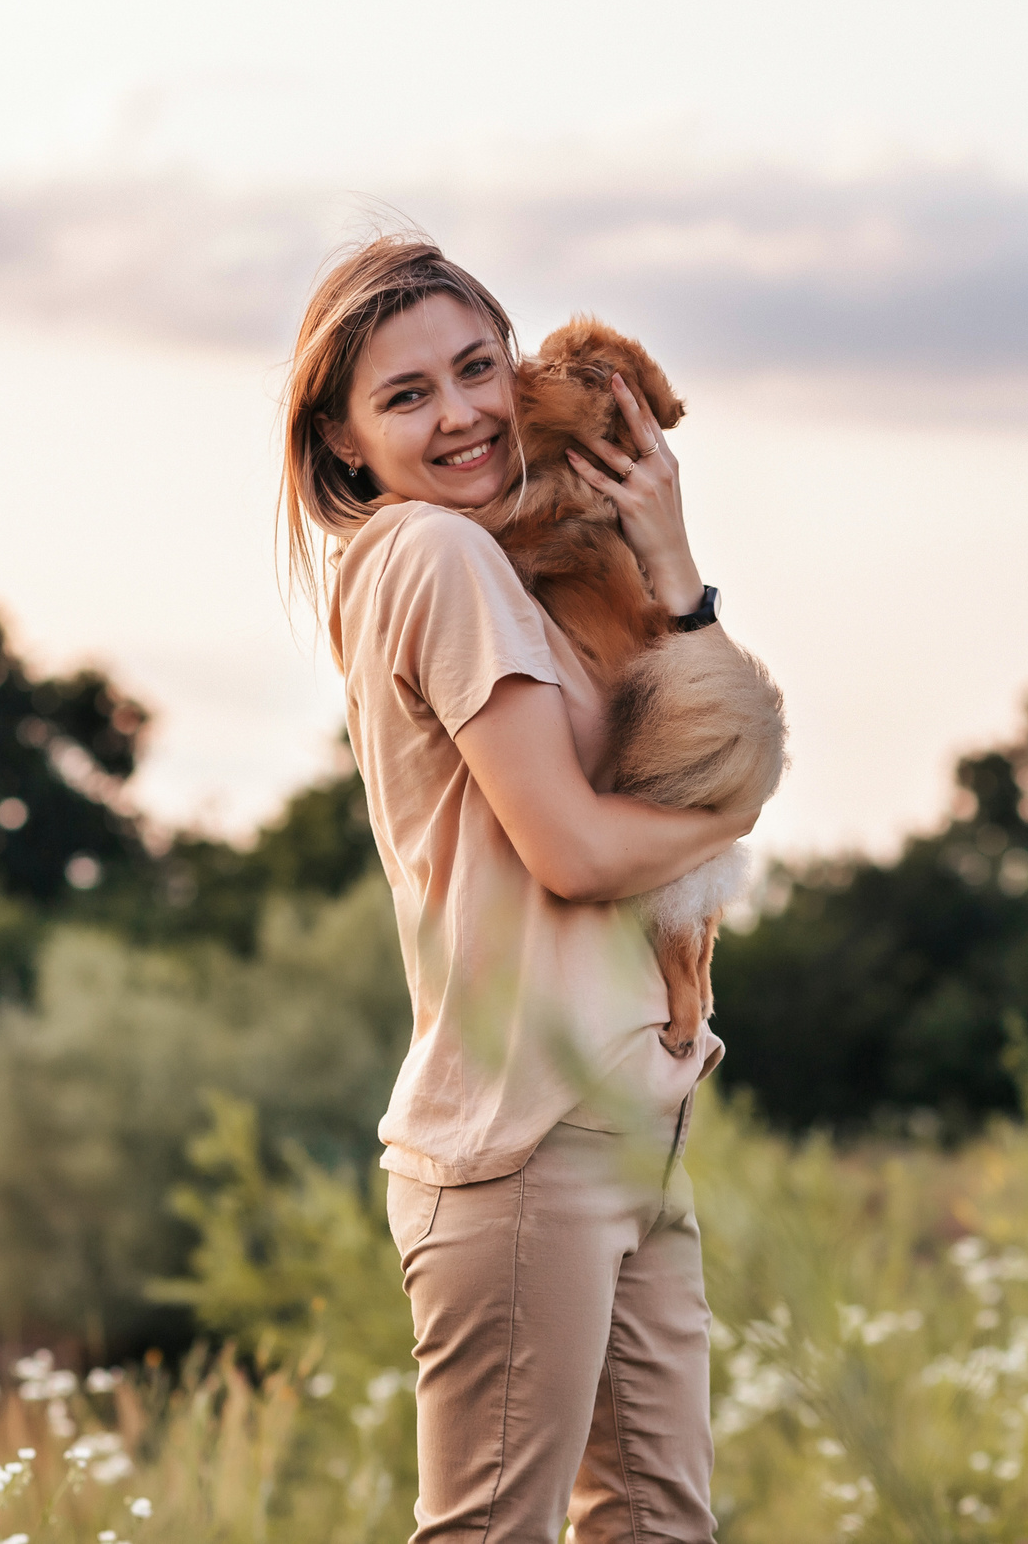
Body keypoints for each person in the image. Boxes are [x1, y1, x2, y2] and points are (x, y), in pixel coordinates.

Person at [279, 234, 755, 1542]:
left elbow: (676, 753)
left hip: (625, 1119)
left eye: (476, 368)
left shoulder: (519, 572)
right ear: (344, 441)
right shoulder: (433, 556)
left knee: (659, 1530)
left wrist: (668, 554)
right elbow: (579, 851)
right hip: (524, 1136)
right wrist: (734, 809)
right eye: (408, 395)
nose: (463, 414)